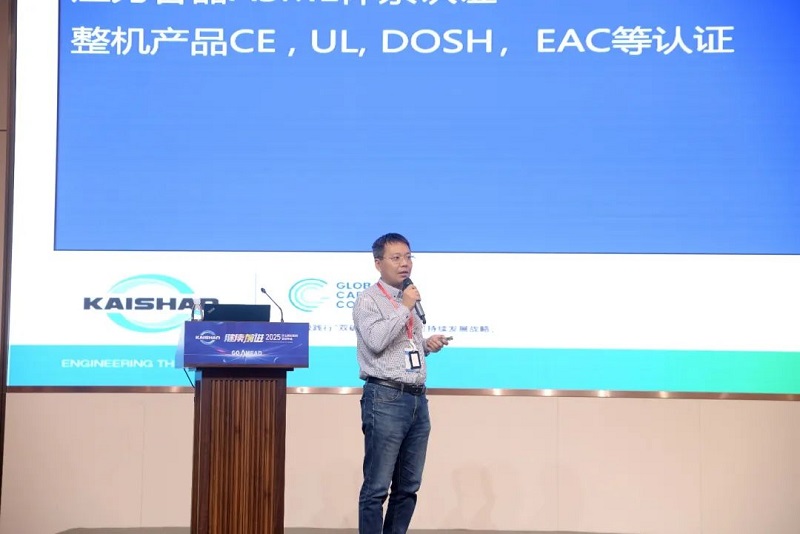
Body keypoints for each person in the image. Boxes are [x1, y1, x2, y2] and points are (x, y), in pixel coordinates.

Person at [353, 232, 450, 534]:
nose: (404, 264)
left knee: (408, 486)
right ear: (378, 263)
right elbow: (376, 341)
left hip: (417, 399)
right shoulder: (368, 300)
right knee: (377, 487)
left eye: (408, 257)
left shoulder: (405, 298)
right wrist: (404, 307)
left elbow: (402, 346)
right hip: (385, 398)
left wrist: (425, 345)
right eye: (396, 258)